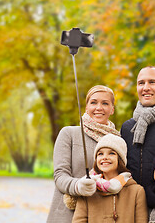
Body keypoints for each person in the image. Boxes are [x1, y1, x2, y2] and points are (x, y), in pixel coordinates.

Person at [47, 85, 121, 223]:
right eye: (93, 102)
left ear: (112, 109)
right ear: (87, 107)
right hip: (68, 215)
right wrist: (78, 185)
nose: (99, 107)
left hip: (102, 215)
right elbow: (59, 175)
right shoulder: (69, 134)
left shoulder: (119, 141)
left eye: (105, 103)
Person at [72, 134, 148, 223]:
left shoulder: (136, 191)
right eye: (100, 154)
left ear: (120, 159)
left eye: (111, 153)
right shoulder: (88, 188)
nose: (105, 157)